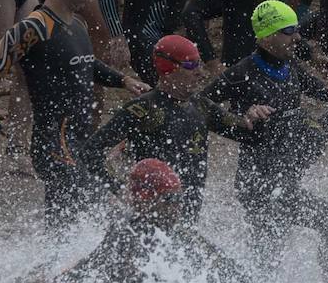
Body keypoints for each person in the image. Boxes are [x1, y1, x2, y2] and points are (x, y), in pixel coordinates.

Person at [202, 0, 328, 283]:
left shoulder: (289, 64)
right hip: (257, 183)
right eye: (289, 31)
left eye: (297, 30)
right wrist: (240, 117)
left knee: (326, 225)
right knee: (272, 253)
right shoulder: (241, 72)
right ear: (267, 36)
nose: (297, 36)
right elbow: (200, 107)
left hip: (284, 177)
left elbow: (316, 87)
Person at [0, 0, 148, 227]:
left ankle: (56, 265)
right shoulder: (36, 27)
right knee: (104, 207)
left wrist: (123, 80)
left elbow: (87, 64)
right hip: (52, 146)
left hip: (81, 145)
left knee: (114, 205)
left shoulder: (77, 25)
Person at [79, 34, 251, 221]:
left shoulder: (201, 106)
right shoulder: (143, 109)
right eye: (191, 65)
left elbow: (246, 133)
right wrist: (120, 188)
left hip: (186, 222)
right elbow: (90, 150)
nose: (201, 73)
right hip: (149, 218)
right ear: (168, 68)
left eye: (200, 64)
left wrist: (254, 116)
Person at [24, 159, 249, 283]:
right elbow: (92, 264)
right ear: (145, 201)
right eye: (170, 198)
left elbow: (222, 268)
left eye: (181, 197)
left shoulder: (177, 231)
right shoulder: (126, 233)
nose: (179, 205)